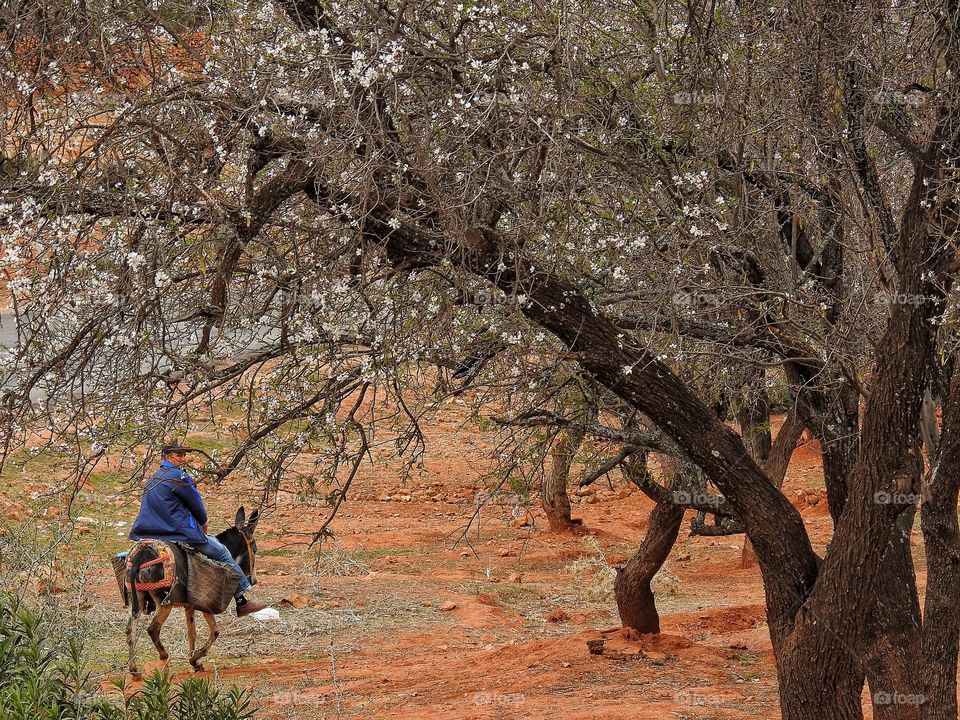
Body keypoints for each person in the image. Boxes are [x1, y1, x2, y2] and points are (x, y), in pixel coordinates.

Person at [129, 442, 268, 616]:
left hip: (146, 533)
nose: (183, 458)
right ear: (167, 457)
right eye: (178, 455)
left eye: (184, 455)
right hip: (177, 532)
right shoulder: (179, 477)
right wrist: (203, 523)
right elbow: (197, 505)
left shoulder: (152, 479)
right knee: (222, 552)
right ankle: (242, 600)